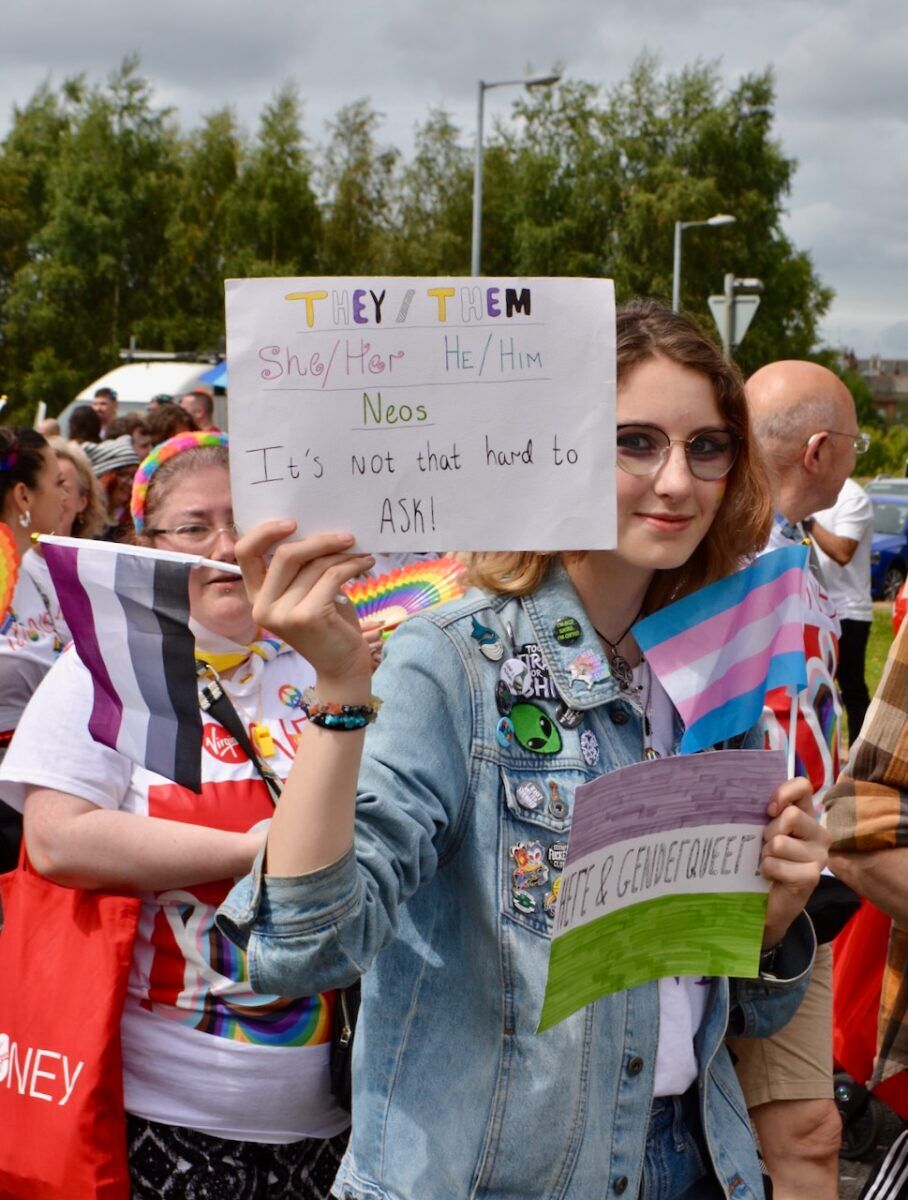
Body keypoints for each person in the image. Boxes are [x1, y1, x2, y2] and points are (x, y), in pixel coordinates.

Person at [217, 302, 828, 1200]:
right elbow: (306, 948)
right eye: (634, 442)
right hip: (493, 1176)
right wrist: (342, 688)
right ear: (559, 449)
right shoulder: (454, 659)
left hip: (693, 1156)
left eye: (707, 446)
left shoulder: (707, 667)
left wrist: (769, 920)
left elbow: (725, 1004)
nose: (676, 482)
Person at [0, 431, 350, 1199]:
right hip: (166, 1113)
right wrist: (258, 850)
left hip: (339, 1114)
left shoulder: (333, 661)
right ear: (148, 546)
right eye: (195, 527)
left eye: (245, 522)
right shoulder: (106, 666)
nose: (227, 548)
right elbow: (56, 839)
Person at [729, 360, 862, 1198]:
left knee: (809, 1133)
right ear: (819, 449)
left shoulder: (792, 551)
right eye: (853, 443)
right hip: (723, 876)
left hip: (797, 879)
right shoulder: (710, 549)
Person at [0, 427, 65, 872]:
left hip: (45, 778)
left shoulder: (44, 569)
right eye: (58, 483)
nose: (67, 497)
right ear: (24, 496)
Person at [22, 437, 107, 644]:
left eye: (64, 487)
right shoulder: (13, 565)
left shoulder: (97, 570)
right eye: (49, 485)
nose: (57, 497)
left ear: (82, 502)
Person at [808, 476, 874, 743]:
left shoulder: (853, 497)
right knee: (815, 689)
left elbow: (843, 552)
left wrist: (808, 522)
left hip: (849, 611)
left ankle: (859, 758)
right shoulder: (812, 491)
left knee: (852, 689)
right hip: (815, 608)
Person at [84, 434, 140, 541]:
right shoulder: (84, 517)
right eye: (125, 474)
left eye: (134, 476)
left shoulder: (131, 518)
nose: (131, 482)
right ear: (105, 476)